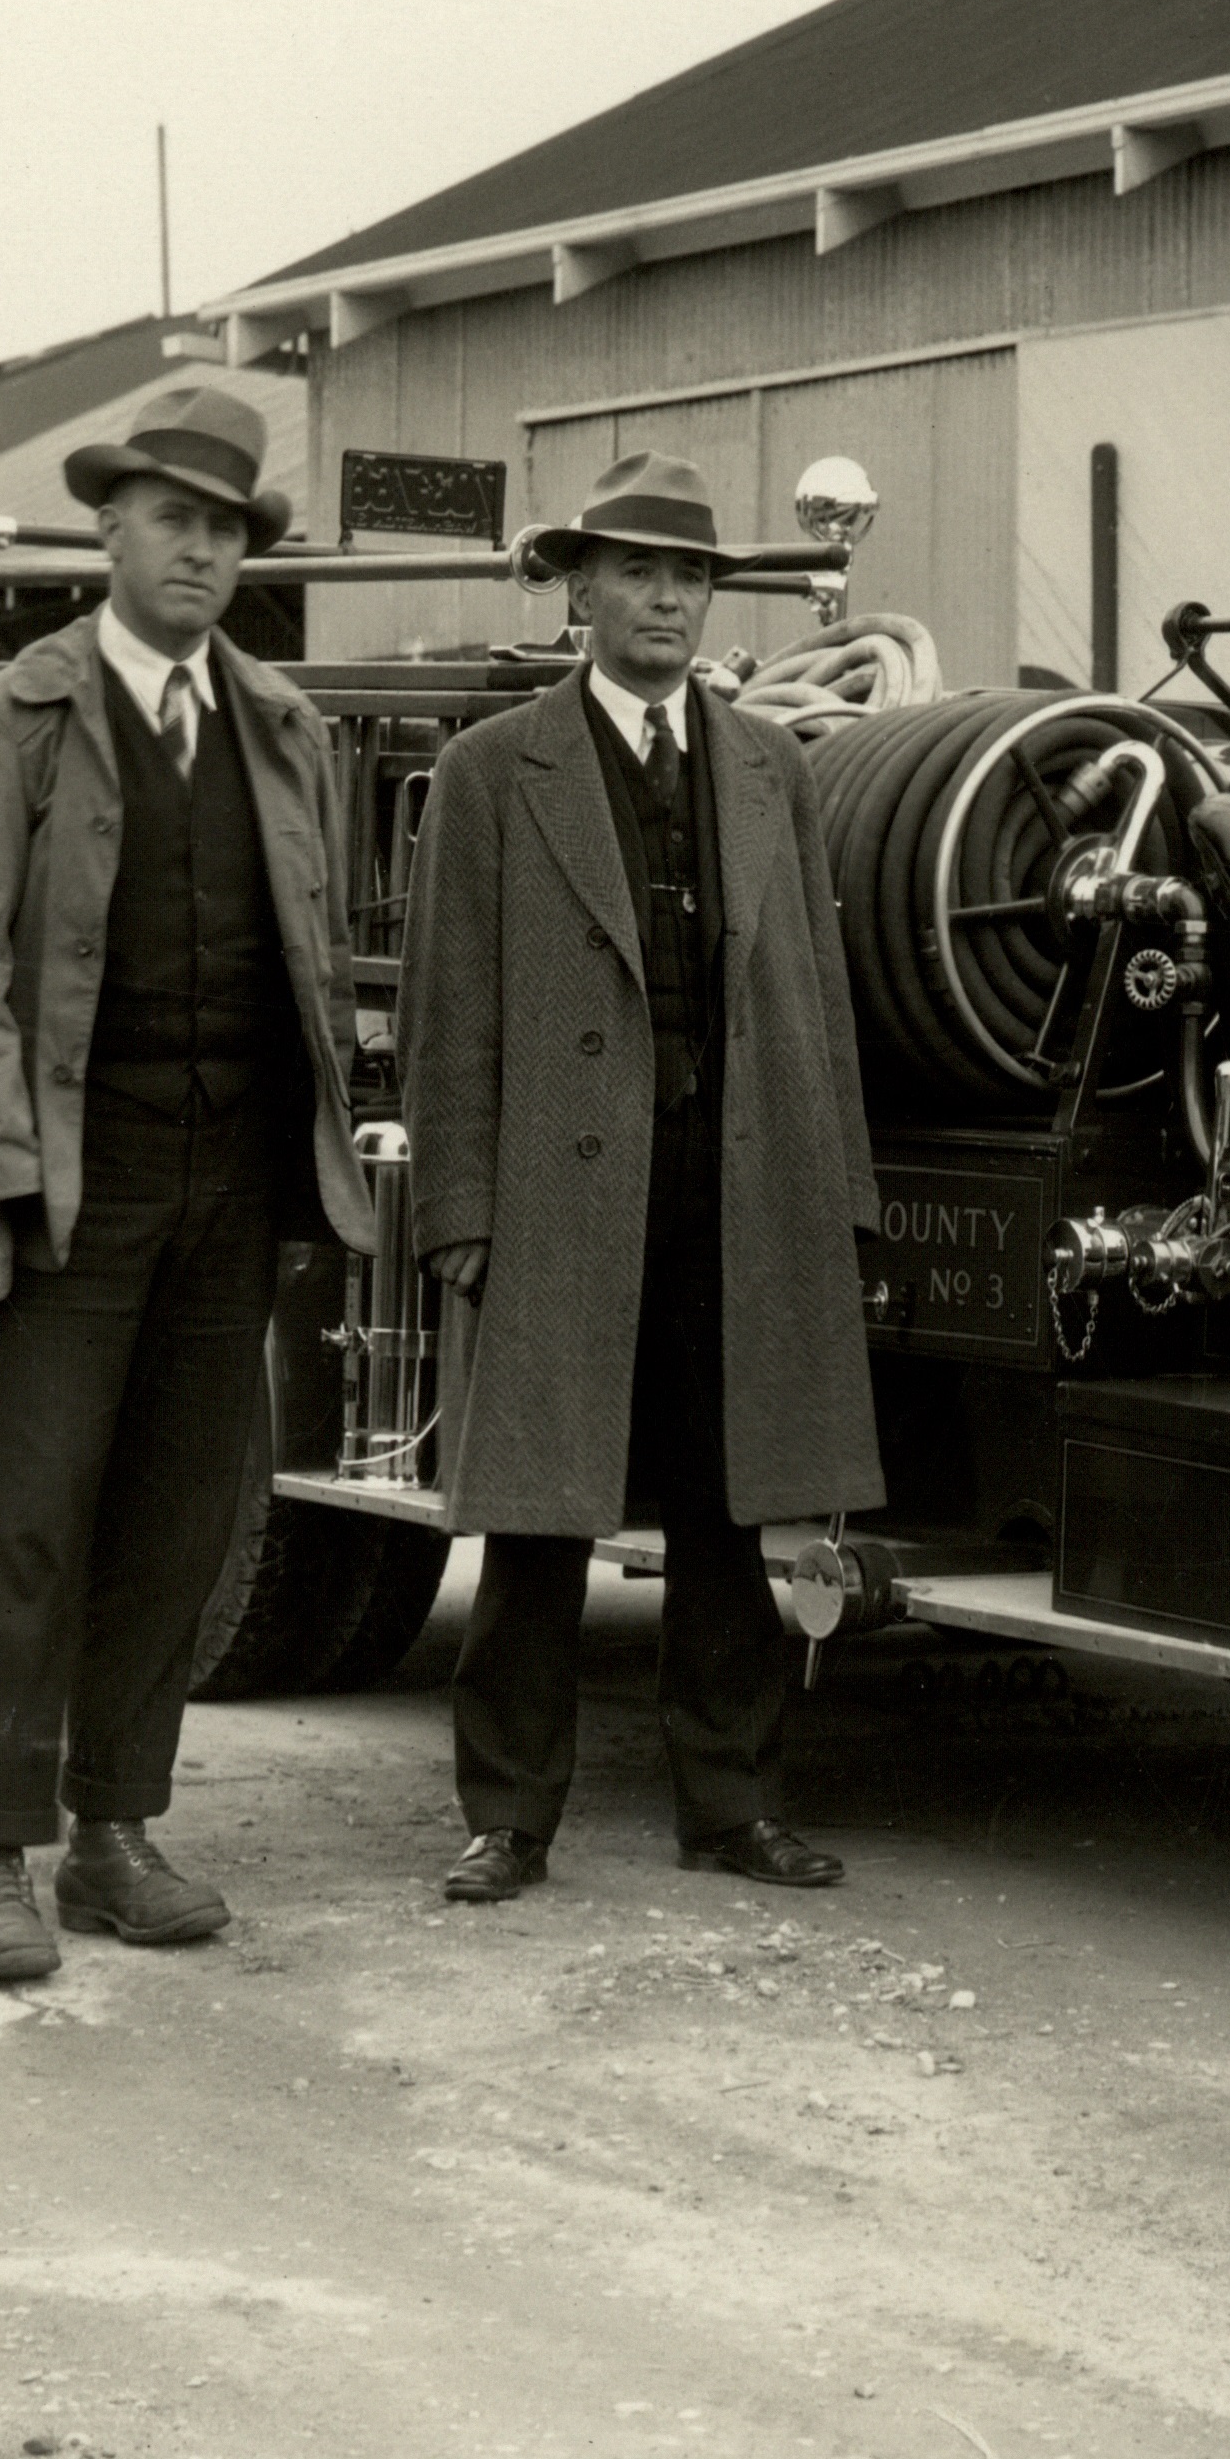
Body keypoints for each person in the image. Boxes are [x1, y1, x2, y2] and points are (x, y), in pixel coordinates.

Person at [0, 385, 372, 1986]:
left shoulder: (283, 729)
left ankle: (113, 1834)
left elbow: (313, 960)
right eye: (173, 520)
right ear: (111, 530)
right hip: (56, 1191)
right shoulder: (4, 723)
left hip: (230, 1191)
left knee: (176, 1525)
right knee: (24, 1522)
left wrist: (316, 1169)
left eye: (225, 529)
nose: (200, 551)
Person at [406, 452, 886, 1901]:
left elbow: (818, 995)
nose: (667, 599)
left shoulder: (770, 766)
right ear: (581, 592)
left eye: (689, 576)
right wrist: (458, 1209)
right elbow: (448, 1008)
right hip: (558, 1195)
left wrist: (841, 1198)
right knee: (537, 1519)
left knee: (729, 1513)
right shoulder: (494, 770)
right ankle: (508, 1821)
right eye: (636, 572)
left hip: (736, 1191)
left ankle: (730, 1808)